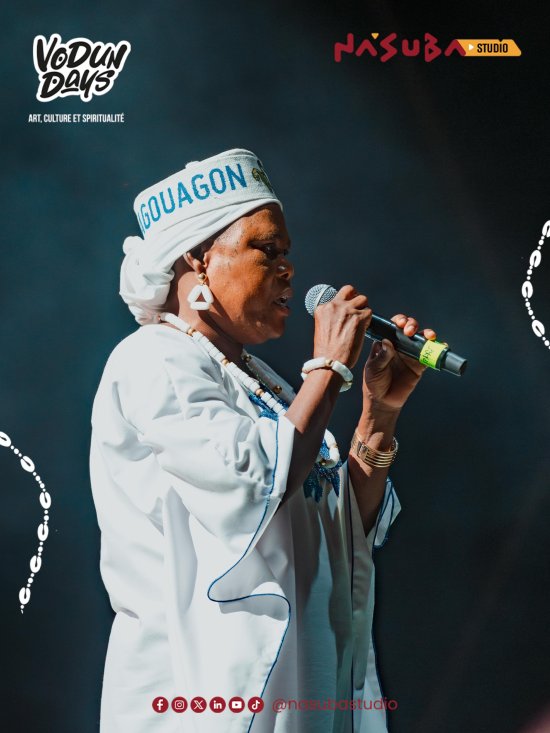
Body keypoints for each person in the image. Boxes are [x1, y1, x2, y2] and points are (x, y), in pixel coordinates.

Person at [89, 148, 437, 733]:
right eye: (267, 250)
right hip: (203, 699)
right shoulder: (153, 358)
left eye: (287, 254)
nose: (289, 270)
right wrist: (328, 366)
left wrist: (379, 412)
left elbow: (339, 525)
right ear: (198, 258)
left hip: (301, 691)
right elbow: (256, 484)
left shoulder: (262, 383)